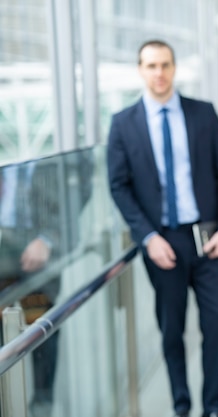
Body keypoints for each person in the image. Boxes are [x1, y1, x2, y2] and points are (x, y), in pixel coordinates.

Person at [107, 39, 218, 417]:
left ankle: (212, 407)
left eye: (165, 64)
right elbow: (119, 186)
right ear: (140, 70)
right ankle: (182, 405)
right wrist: (148, 237)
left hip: (208, 235)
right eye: (151, 66)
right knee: (171, 329)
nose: (159, 73)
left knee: (216, 326)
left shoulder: (203, 113)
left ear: (175, 68)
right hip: (162, 242)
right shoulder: (123, 123)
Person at [0, 152, 93, 417]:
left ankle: (42, 406)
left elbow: (81, 186)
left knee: (40, 334)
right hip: (4, 243)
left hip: (41, 246)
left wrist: (49, 237)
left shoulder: (52, 135)